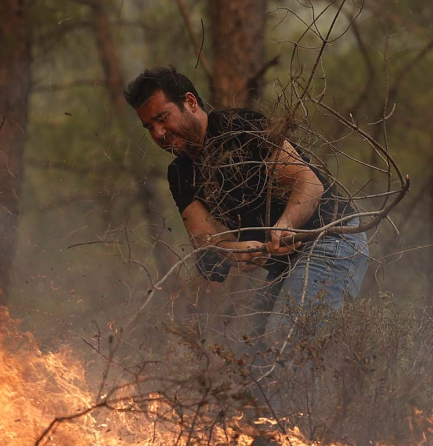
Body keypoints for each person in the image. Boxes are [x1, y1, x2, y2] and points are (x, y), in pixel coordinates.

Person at [124, 67, 369, 341]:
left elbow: (309, 184)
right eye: (149, 127)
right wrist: (234, 250)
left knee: (284, 344)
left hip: (331, 239)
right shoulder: (180, 174)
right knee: (256, 359)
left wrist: (284, 226)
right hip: (286, 264)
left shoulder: (240, 126)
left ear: (190, 102)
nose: (158, 133)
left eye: (162, 118)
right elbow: (206, 240)